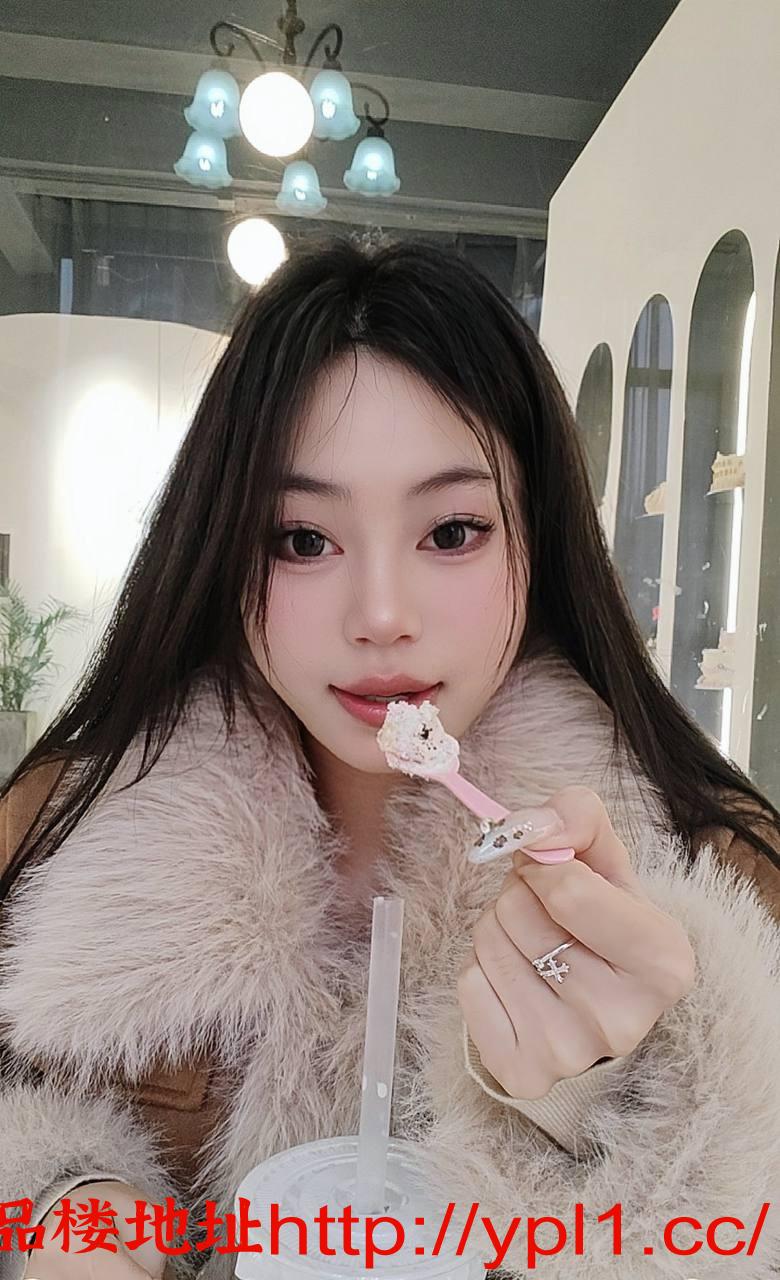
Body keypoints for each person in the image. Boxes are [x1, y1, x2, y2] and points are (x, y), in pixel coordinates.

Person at [1, 235, 778, 1280]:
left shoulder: (720, 873)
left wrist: (625, 1116)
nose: (380, 614)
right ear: (225, 551)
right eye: (302, 539)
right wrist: (71, 1205)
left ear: (537, 540)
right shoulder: (58, 832)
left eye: (451, 531)